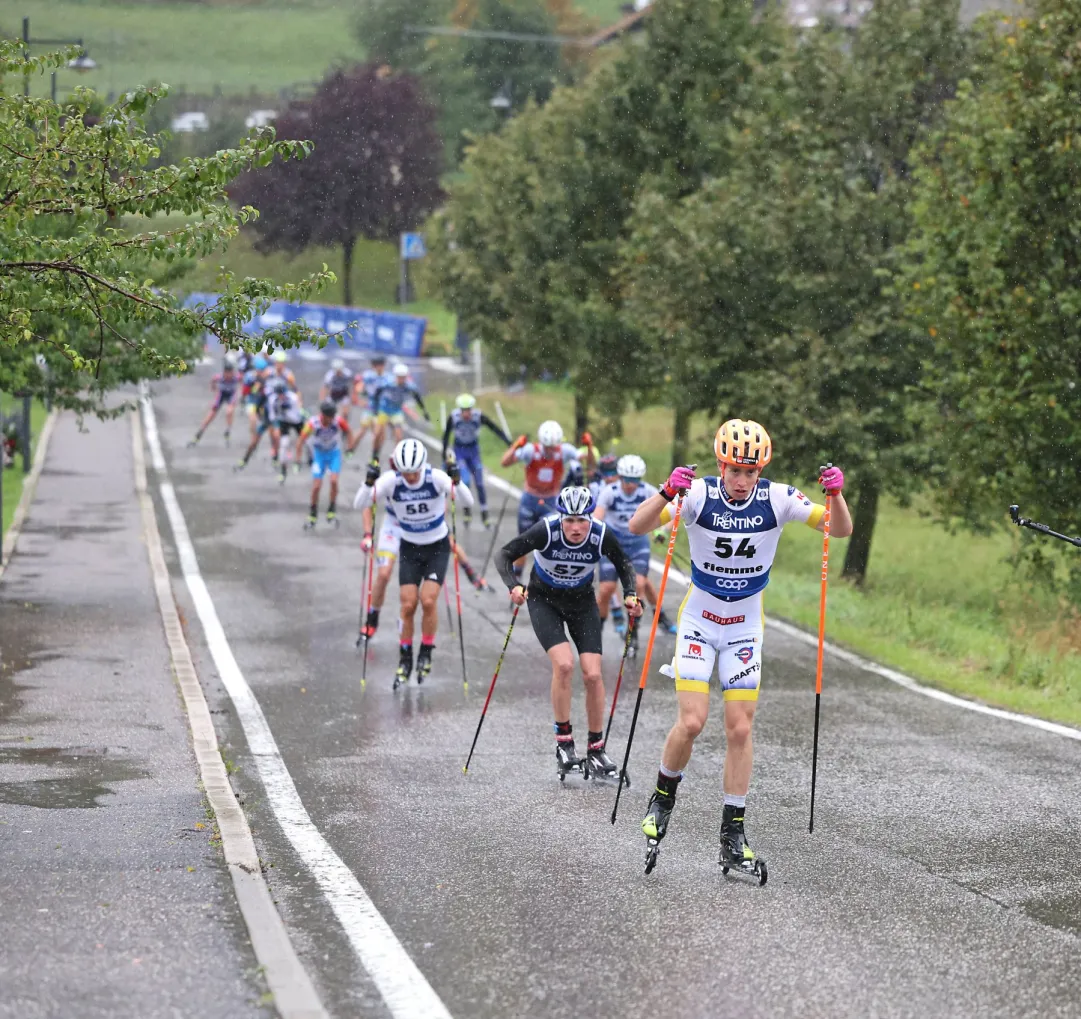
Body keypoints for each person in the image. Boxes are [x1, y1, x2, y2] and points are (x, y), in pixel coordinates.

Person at [627, 418, 852, 876]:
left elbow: (838, 529)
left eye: (752, 472)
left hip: (745, 627)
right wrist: (667, 493)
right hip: (699, 622)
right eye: (735, 470)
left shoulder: (779, 498)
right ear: (720, 465)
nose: (743, 480)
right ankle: (662, 799)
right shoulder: (698, 495)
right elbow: (637, 525)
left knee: (740, 730)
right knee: (692, 721)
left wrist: (837, 496)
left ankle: (733, 832)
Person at [496, 486, 642, 780]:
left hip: (582, 602)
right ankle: (564, 744)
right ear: (560, 517)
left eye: (582, 520)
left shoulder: (600, 533)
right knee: (564, 665)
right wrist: (513, 585)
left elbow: (624, 563)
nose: (576, 528)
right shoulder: (546, 530)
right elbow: (505, 554)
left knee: (593, 674)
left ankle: (596, 749)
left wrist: (630, 594)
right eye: (569, 521)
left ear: (591, 518)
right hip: (544, 600)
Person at [353, 438, 474, 688]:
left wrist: (457, 481)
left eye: (414, 472)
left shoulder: (435, 477)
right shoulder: (391, 481)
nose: (409, 478)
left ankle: (426, 651)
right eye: (405, 472)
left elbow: (467, 502)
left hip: (436, 547)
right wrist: (368, 483)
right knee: (408, 605)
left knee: (428, 600)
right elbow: (360, 504)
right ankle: (405, 658)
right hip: (409, 547)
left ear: (422, 466)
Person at [594, 454, 676, 656]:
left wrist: (661, 531)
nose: (631, 485)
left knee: (638, 584)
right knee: (606, 589)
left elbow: (671, 512)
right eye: (627, 480)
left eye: (636, 480)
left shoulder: (647, 491)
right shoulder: (609, 492)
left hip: (638, 543)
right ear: (620, 477)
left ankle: (633, 635)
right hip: (613, 544)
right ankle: (596, 631)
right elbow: (597, 518)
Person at [499, 420, 593, 583]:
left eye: (553, 446)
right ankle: (516, 582)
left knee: (548, 543)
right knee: (523, 543)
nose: (550, 450)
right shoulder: (530, 451)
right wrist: (516, 446)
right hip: (530, 501)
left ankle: (543, 580)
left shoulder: (565, 451)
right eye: (547, 447)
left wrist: (589, 447)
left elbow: (590, 464)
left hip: (550, 502)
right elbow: (505, 462)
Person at [440, 394, 511, 528]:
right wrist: (444, 453)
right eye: (463, 410)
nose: (466, 414)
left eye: (468, 410)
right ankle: (467, 511)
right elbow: (446, 436)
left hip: (473, 452)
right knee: (465, 481)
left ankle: (485, 513)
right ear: (460, 410)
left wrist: (508, 442)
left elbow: (494, 428)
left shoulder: (478, 416)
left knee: (479, 483)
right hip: (459, 451)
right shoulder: (454, 418)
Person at [295, 400, 358, 529]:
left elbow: (349, 431)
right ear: (323, 415)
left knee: (334, 481)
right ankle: (313, 513)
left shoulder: (338, 421)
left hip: (334, 454)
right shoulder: (312, 423)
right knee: (317, 486)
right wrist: (298, 459)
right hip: (319, 455)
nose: (331, 420)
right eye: (329, 417)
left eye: (332, 416)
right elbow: (301, 439)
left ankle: (331, 509)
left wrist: (350, 448)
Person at [372, 363, 430, 462]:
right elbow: (377, 392)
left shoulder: (409, 385)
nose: (402, 380)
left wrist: (424, 411)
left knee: (399, 436)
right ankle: (374, 455)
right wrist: (375, 408)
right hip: (384, 410)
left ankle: (397, 458)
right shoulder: (388, 382)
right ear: (395, 376)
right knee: (378, 433)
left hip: (396, 411)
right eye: (400, 377)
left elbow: (417, 397)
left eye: (403, 377)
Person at [188, 354, 240, 447]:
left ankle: (227, 431)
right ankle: (199, 433)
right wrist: (214, 388)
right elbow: (213, 380)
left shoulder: (236, 377)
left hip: (231, 395)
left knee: (229, 411)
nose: (228, 375)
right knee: (211, 414)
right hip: (222, 394)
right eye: (227, 373)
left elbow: (244, 381)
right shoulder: (220, 377)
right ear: (224, 372)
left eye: (230, 373)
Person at [267, 378, 305, 484]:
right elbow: (272, 416)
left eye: (281, 393)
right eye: (278, 394)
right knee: (283, 445)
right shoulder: (273, 400)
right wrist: (277, 422)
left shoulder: (292, 398)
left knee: (307, 441)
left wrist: (286, 410)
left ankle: (306, 460)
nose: (280, 396)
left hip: (296, 421)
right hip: (284, 422)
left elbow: (296, 417)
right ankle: (283, 471)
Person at [320, 358, 356, 424]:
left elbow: (353, 383)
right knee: (328, 411)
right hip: (333, 394)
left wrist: (354, 395)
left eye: (340, 371)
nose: (339, 373)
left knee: (345, 413)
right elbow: (325, 388)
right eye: (337, 371)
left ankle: (344, 426)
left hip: (344, 393)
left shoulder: (348, 373)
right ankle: (329, 424)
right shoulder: (329, 375)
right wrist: (323, 400)